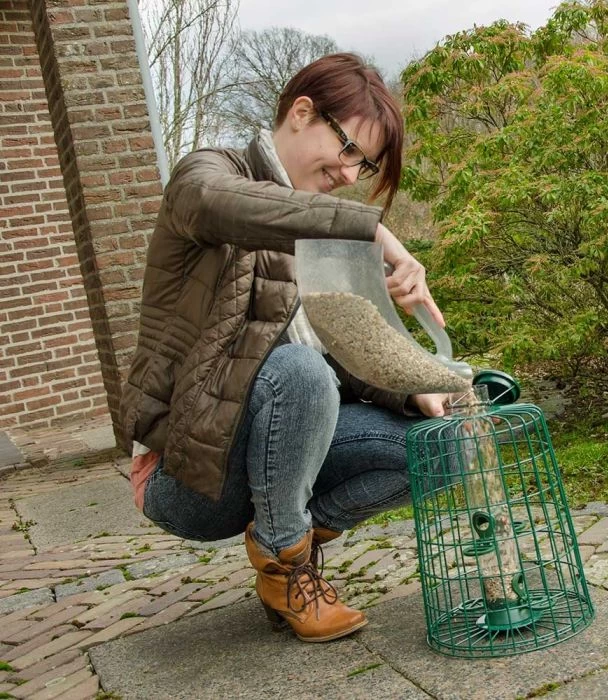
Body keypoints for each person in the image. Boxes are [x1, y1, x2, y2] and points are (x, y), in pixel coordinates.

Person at [121, 52, 449, 643]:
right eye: (349, 149)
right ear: (302, 113)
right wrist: (373, 230)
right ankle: (288, 568)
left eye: (363, 164)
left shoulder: (324, 242)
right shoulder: (205, 176)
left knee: (444, 446)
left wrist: (415, 391)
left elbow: (343, 360)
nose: (351, 174)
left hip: (283, 453)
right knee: (298, 370)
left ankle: (283, 541)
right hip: (191, 476)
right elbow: (218, 204)